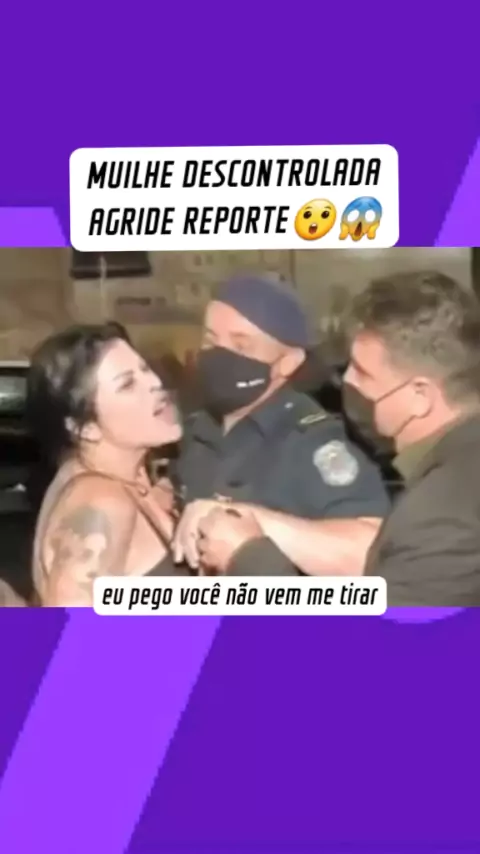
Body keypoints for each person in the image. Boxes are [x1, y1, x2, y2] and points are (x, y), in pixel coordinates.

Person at [172, 275, 390, 573]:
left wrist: (252, 521)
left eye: (241, 346)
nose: (219, 356)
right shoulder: (197, 430)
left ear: (288, 362)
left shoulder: (312, 443)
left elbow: (370, 551)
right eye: (210, 340)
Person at [28, 324, 186, 607]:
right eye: (127, 384)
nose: (154, 383)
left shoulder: (127, 479)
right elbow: (70, 630)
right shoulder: (101, 501)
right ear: (86, 428)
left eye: (145, 369)